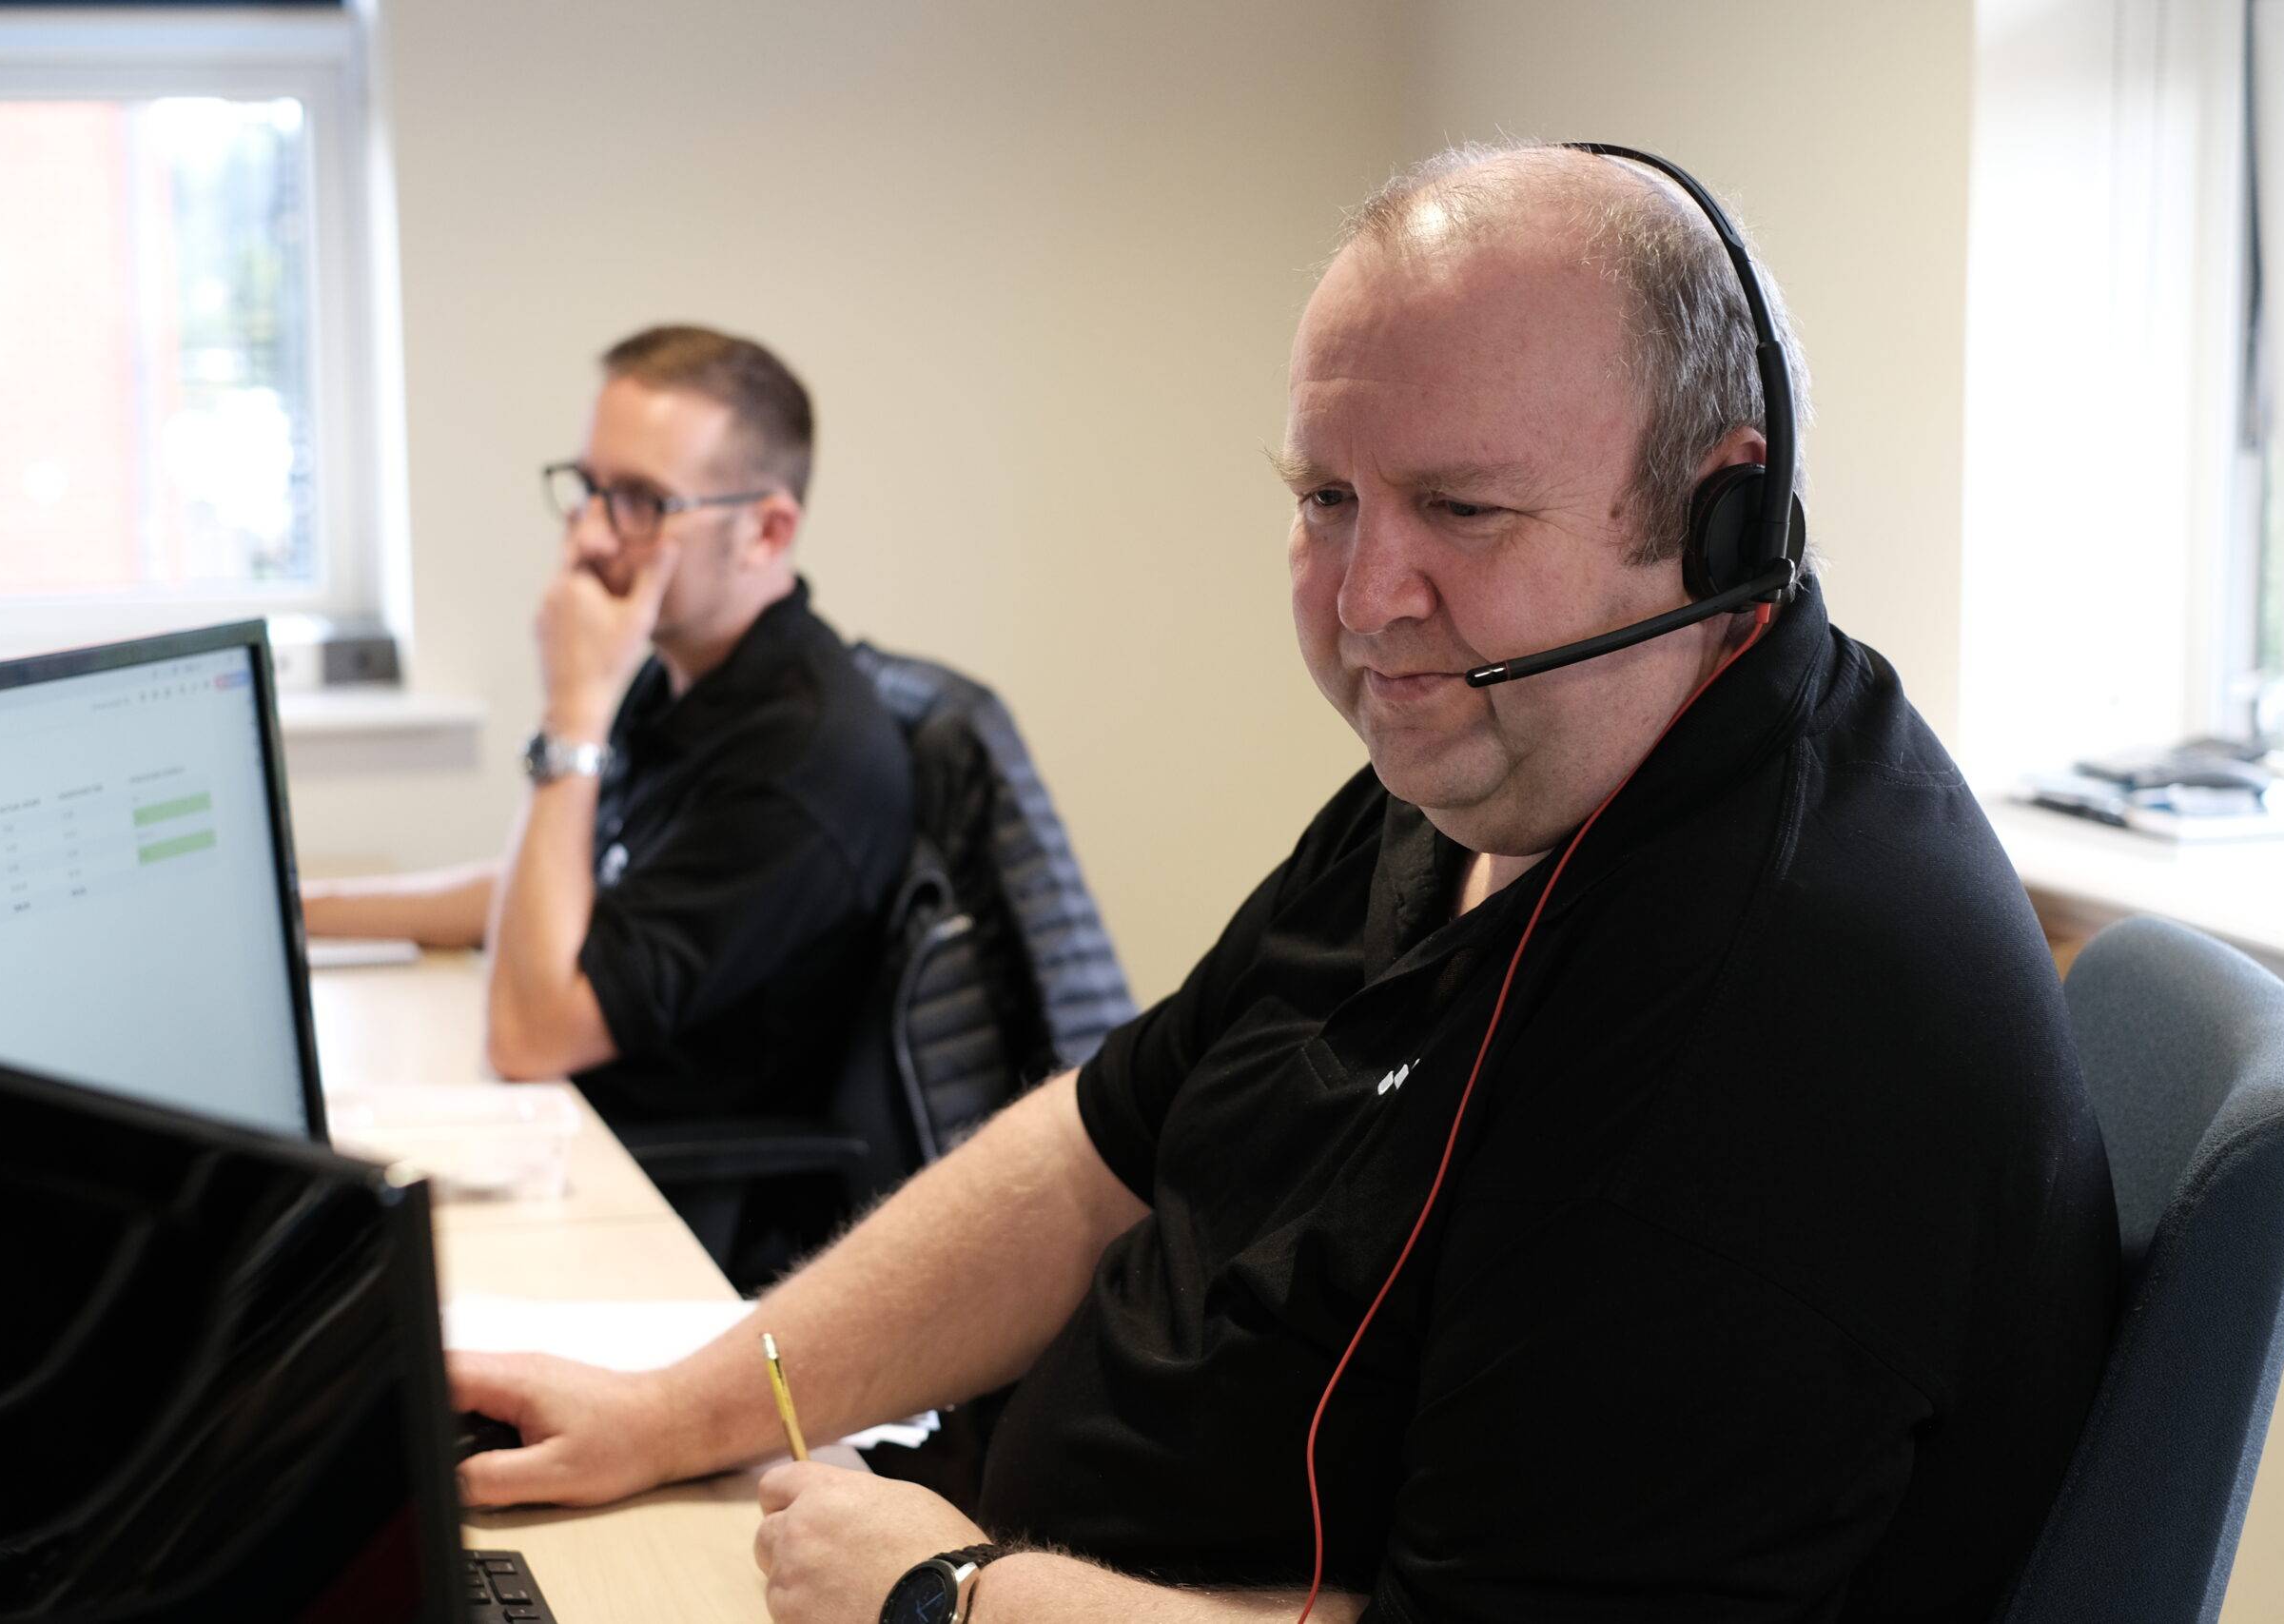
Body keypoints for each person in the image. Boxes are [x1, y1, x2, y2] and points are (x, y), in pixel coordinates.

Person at [444, 147, 2118, 1623]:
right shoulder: (1492, 760)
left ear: (1720, 517)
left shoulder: (1765, 1017)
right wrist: (673, 1413)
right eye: (1327, 497)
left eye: (1460, 508)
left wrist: (944, 1594)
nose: (1368, 596)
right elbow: (1100, 1153)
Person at [303, 326, 913, 1129]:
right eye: (589, 487)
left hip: (667, 1197)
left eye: (641, 503)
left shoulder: (799, 761)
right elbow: (569, 892)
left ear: (768, 531)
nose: (589, 536)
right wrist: (304, 911)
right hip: (578, 1123)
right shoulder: (687, 674)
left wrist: (574, 709)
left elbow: (530, 1036)